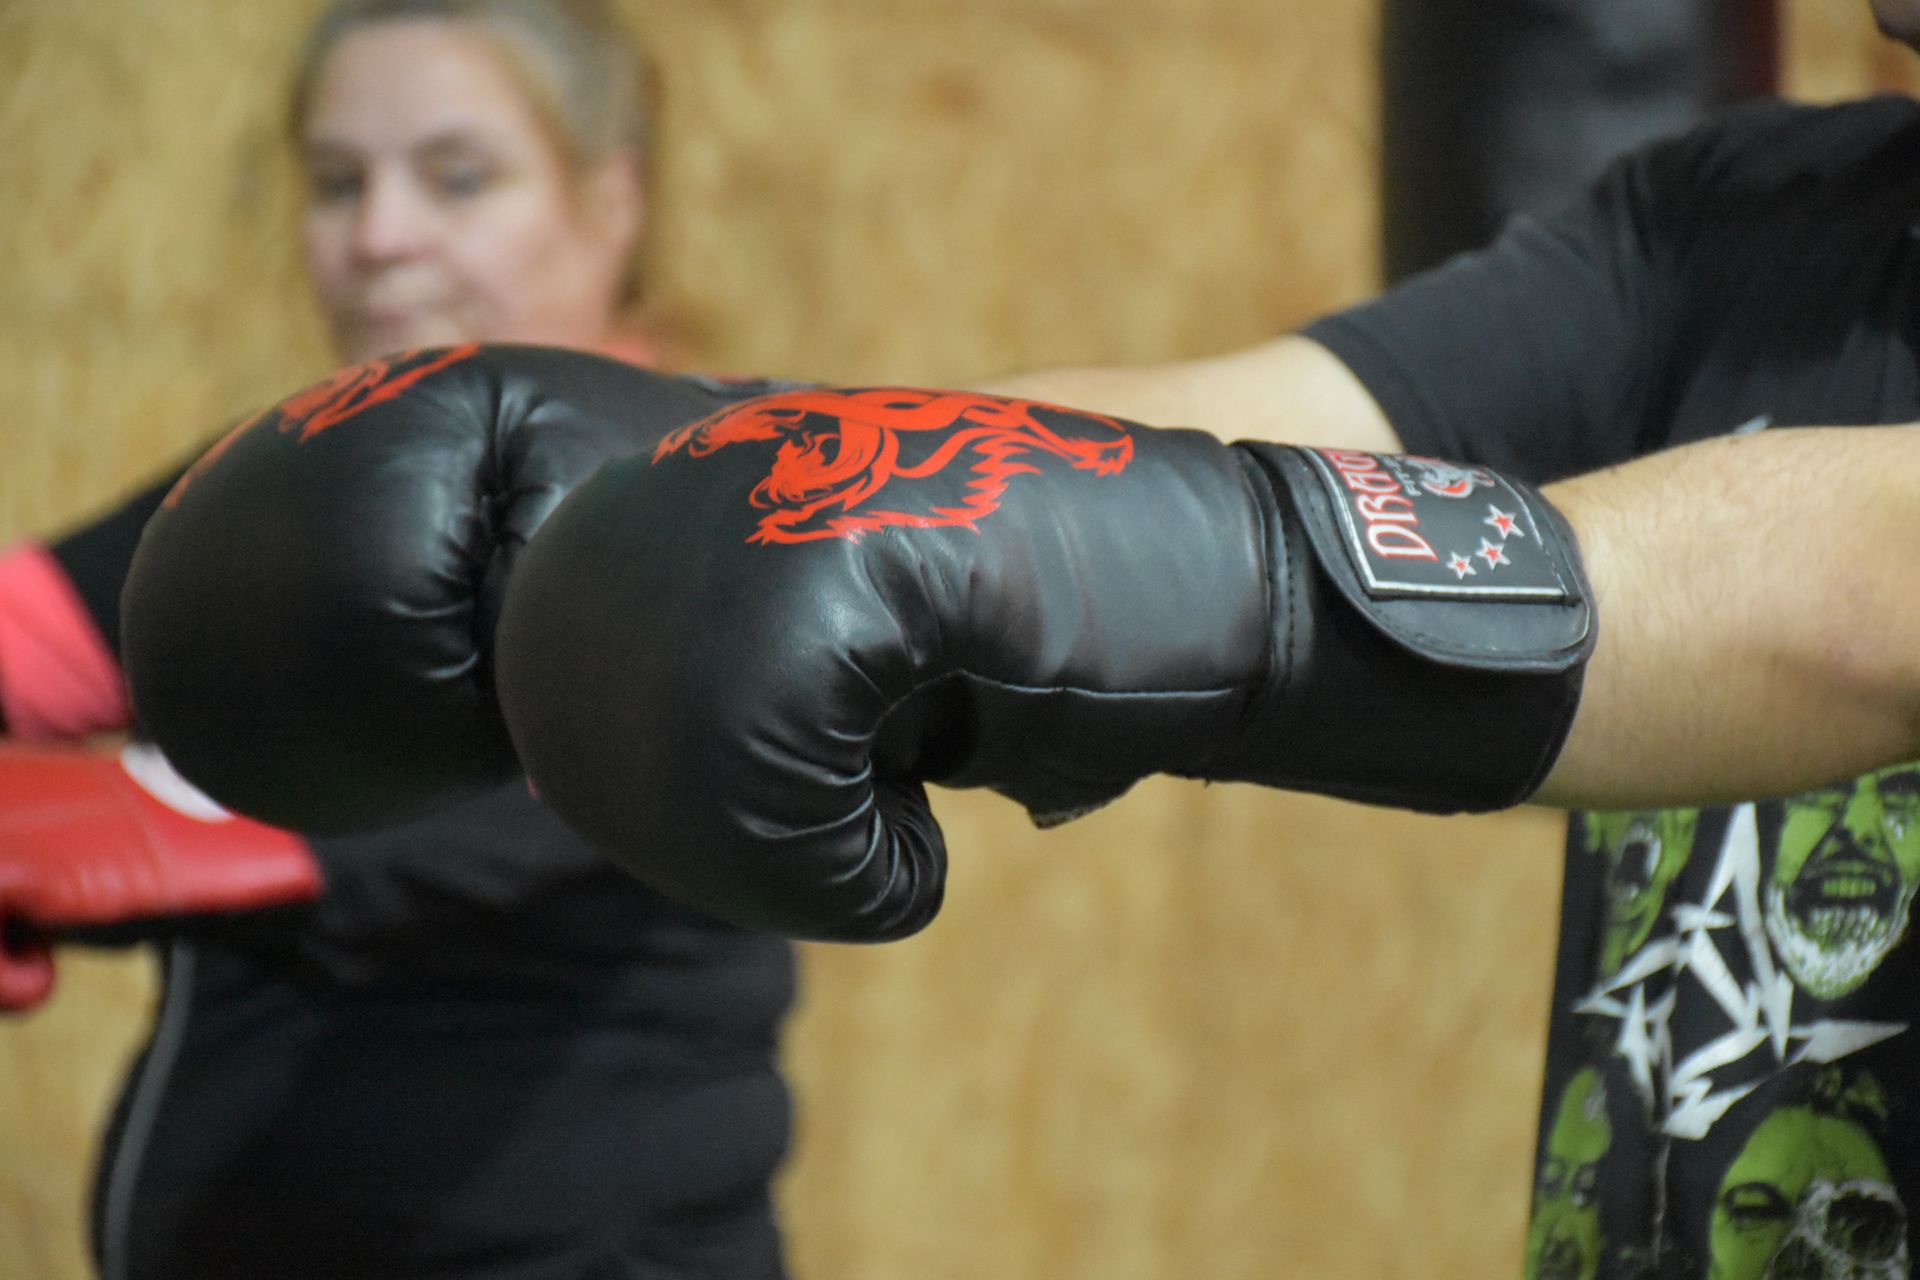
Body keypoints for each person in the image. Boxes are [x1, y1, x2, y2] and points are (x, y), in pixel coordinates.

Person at [0, 3, 796, 1278]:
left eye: (458, 176)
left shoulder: (726, 497)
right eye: (335, 182)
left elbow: (503, 793)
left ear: (611, 199)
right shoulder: (266, 498)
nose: (379, 235)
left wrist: (122, 821)